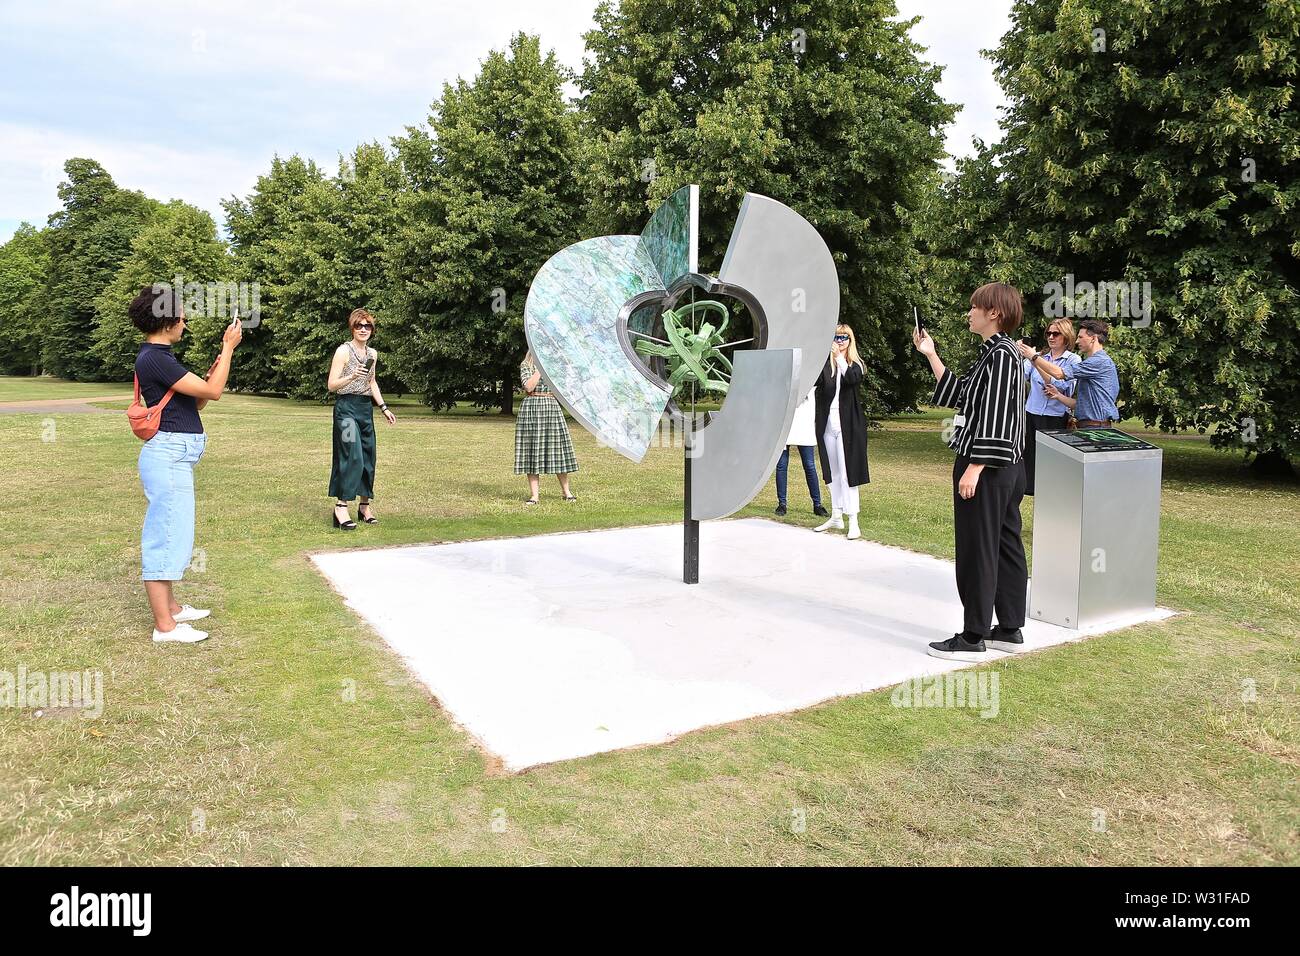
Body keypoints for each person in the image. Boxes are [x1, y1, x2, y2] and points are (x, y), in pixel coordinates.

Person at [913, 282, 1028, 661]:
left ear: (993, 312)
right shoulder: (999, 354)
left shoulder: (1000, 356)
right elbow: (963, 394)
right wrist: (931, 354)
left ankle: (973, 634)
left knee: (978, 548)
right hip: (1007, 467)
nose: (969, 312)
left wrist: (974, 467)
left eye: (974, 307)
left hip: (988, 466)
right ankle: (1009, 628)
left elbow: (995, 416)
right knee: (1006, 544)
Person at [132, 284, 242, 643]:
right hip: (167, 457)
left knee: (175, 532)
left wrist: (216, 365)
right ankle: (165, 627)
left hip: (174, 456)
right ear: (167, 320)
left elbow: (196, 403)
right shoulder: (155, 358)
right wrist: (228, 347)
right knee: (165, 536)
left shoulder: (160, 357)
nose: (185, 322)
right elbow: (214, 392)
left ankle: (173, 609)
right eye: (181, 316)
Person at [327, 309, 397, 530]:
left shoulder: (372, 354)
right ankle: (341, 507)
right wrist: (351, 376)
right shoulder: (343, 351)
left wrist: (384, 407)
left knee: (368, 455)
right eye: (359, 326)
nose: (364, 329)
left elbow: (372, 382)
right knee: (351, 454)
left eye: (368, 326)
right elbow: (331, 385)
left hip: (365, 409)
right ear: (352, 328)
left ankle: (364, 506)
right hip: (346, 410)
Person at [813, 324, 869, 540]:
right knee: (832, 473)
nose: (840, 341)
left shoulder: (855, 364)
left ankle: (853, 520)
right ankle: (836, 514)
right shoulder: (826, 366)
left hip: (848, 427)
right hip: (827, 425)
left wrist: (839, 359)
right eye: (836, 337)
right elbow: (815, 384)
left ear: (850, 340)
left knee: (848, 474)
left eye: (844, 337)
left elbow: (852, 379)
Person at [1019, 318, 1119, 428]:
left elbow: (1059, 374)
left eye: (1080, 337)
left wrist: (1034, 358)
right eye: (1049, 333)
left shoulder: (1098, 362)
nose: (1077, 341)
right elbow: (1080, 404)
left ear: (1093, 339)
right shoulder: (1095, 362)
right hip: (1090, 426)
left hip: (1095, 428)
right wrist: (1057, 395)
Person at [1019, 318, 1079, 495]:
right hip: (1032, 412)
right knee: (1029, 454)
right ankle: (1029, 488)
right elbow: (1020, 375)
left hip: (1055, 416)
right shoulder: (1040, 357)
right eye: (1048, 333)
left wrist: (1035, 361)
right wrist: (1018, 354)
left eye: (1056, 333)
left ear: (1066, 336)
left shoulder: (1073, 360)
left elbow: (1061, 385)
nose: (1051, 337)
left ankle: (1051, 491)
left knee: (1051, 458)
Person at [515, 351, 577, 504]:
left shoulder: (554, 365)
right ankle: (534, 496)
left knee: (557, 450)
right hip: (532, 409)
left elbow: (566, 387)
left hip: (551, 408)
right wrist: (539, 370)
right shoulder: (526, 365)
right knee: (531, 451)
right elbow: (529, 387)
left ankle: (566, 492)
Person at [773, 385, 828, 517]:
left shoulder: (812, 380)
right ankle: (782, 504)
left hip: (804, 426)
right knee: (781, 466)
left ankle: (817, 504)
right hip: (785, 424)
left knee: (809, 465)